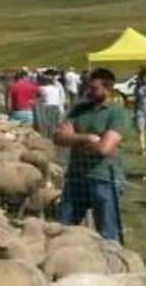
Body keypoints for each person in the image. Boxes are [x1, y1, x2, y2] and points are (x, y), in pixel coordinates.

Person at [53, 68, 130, 243]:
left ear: (108, 88)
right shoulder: (79, 110)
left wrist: (73, 139)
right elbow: (58, 137)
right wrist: (87, 138)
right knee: (62, 229)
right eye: (88, 87)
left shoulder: (117, 113)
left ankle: (110, 266)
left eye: (94, 88)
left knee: (106, 234)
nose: (89, 91)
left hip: (104, 178)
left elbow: (104, 149)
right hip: (76, 177)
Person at [135, 67, 146, 155]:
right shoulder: (138, 87)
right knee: (140, 130)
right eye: (144, 76)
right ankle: (143, 149)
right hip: (140, 111)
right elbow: (136, 99)